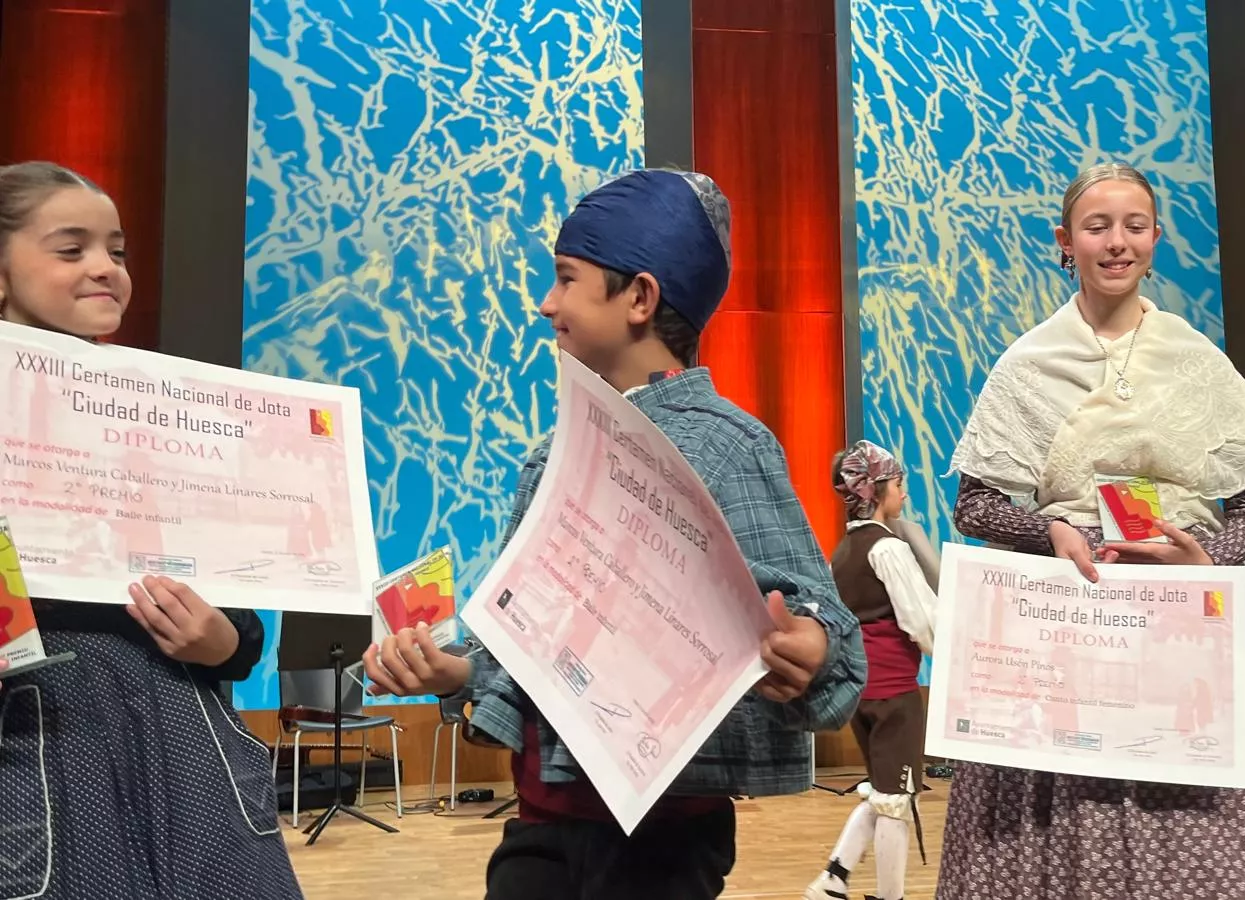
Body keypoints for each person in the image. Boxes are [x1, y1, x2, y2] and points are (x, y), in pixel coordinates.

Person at [361, 169, 867, 900]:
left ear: (639, 297)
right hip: (538, 821)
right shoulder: (554, 454)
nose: (547, 303)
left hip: (659, 841)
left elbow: (825, 623)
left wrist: (811, 646)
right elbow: (531, 651)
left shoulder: (730, 446)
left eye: (566, 279)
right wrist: (458, 674)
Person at [936, 161, 1245, 898]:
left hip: (1188, 628)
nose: (1117, 243)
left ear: (1156, 237)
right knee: (1071, 829)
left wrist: (1201, 554)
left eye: (1134, 226)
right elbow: (976, 507)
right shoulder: (1026, 365)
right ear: (1065, 241)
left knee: (1206, 846)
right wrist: (1050, 533)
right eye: (1097, 227)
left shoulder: (1197, 361)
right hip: (1074, 627)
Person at [0, 161, 301, 898]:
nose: (105, 269)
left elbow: (238, 613)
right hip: (39, 743)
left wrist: (222, 641)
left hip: (184, 737)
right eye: (71, 250)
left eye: (118, 251)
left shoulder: (164, 414)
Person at [806, 441, 937, 900]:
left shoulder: (842, 552)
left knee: (885, 791)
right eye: (899, 484)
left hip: (864, 691)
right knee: (897, 801)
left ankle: (834, 877)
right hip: (895, 693)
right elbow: (922, 620)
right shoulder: (888, 549)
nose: (904, 493)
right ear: (880, 490)